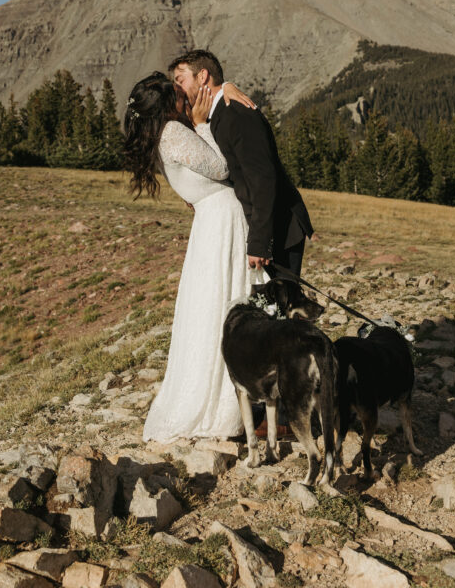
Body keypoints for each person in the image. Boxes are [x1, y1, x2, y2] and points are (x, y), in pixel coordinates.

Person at [123, 71, 266, 442]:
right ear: (169, 103)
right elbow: (219, 167)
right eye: (179, 95)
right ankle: (225, 406)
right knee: (226, 302)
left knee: (210, 306)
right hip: (222, 222)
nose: (186, 99)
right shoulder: (174, 132)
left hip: (210, 225)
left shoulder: (160, 137)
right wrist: (202, 125)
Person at [169, 50, 313, 277]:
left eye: (181, 80)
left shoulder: (236, 113)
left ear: (202, 76)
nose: (178, 88)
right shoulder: (213, 114)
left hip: (278, 230)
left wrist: (259, 242)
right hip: (257, 228)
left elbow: (263, 179)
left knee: (282, 308)